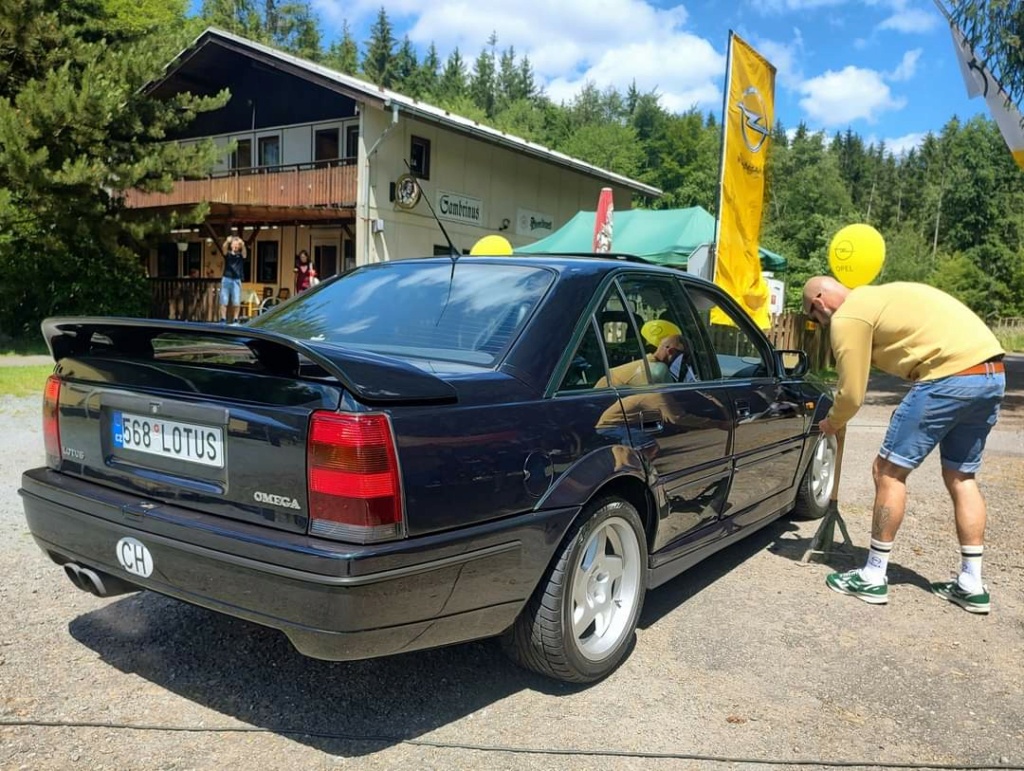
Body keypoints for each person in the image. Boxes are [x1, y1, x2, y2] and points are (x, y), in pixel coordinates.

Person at [802, 276, 1005, 613]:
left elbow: (852, 394)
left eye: (814, 317)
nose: (819, 323)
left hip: (948, 377)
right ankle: (971, 583)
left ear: (820, 302)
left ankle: (872, 576)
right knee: (961, 477)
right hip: (991, 373)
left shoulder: (849, 315)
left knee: (888, 472)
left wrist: (833, 422)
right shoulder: (881, 297)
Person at [220, 236, 247, 323]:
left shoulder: (240, 255)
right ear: (231, 245)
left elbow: (245, 254)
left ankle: (235, 319)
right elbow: (223, 249)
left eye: (237, 244)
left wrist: (242, 244)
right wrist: (227, 241)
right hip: (226, 278)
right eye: (233, 243)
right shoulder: (228, 254)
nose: (235, 245)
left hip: (236, 279)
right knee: (224, 300)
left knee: (236, 301)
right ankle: (223, 318)